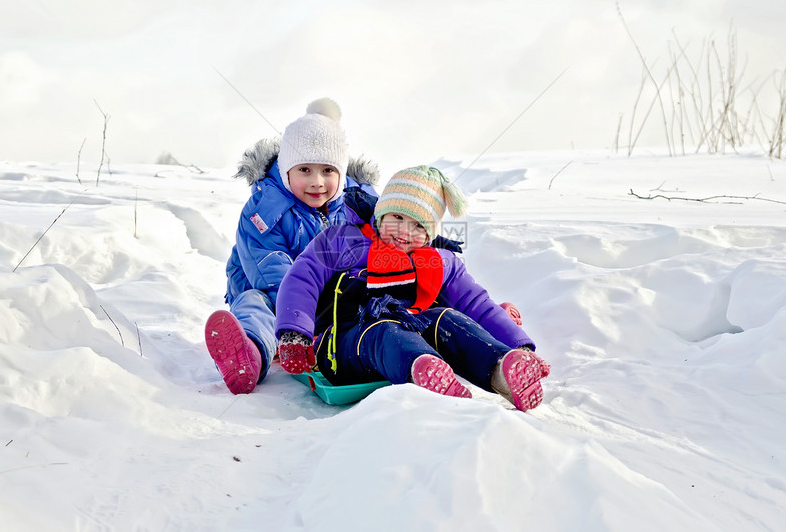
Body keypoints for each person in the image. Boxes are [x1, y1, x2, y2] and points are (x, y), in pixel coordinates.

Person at [274, 165, 550, 411]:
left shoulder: (438, 261)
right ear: (381, 212)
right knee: (384, 328)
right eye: (397, 217)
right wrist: (294, 334)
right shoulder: (342, 242)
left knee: (449, 319)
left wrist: (520, 345)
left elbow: (476, 304)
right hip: (345, 347)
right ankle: (424, 370)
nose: (405, 231)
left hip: (411, 334)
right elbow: (302, 278)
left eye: (418, 225)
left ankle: (502, 371)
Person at [204, 98, 379, 395]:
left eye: (327, 170)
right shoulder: (265, 209)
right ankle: (249, 354)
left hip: (335, 298)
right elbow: (267, 267)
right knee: (255, 305)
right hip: (275, 292)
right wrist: (302, 312)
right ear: (286, 170)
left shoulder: (359, 205)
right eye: (304, 170)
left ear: (342, 172)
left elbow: (376, 248)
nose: (317, 182)